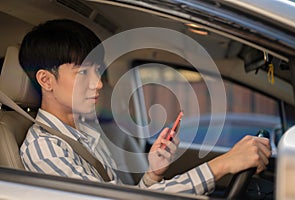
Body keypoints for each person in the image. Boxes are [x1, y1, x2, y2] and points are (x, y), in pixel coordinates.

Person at [19, 19, 271, 195]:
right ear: (45, 80)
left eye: (98, 71)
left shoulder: (83, 129)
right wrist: (222, 165)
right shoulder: (45, 150)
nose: (97, 84)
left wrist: (153, 174)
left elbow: (118, 195)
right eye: (83, 72)